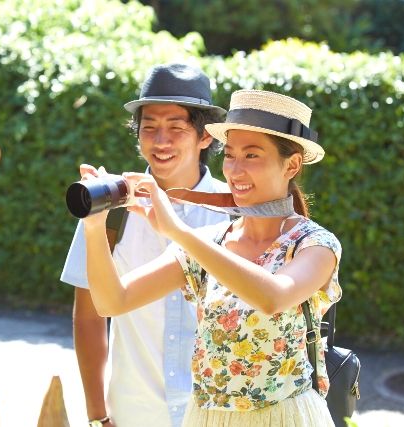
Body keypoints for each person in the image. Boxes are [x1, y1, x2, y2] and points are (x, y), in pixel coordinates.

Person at [80, 89, 342, 426]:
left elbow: (273, 296)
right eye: (230, 155)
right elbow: (112, 302)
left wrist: (177, 231)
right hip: (208, 418)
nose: (234, 170)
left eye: (252, 155)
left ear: (291, 164)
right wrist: (93, 226)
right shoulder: (211, 242)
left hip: (284, 417)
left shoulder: (315, 244)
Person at [60, 63, 230, 427]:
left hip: (217, 412)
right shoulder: (106, 208)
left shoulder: (234, 214)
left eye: (175, 129)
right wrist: (96, 416)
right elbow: (89, 316)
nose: (160, 141)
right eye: (149, 128)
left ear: (205, 138)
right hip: (134, 411)